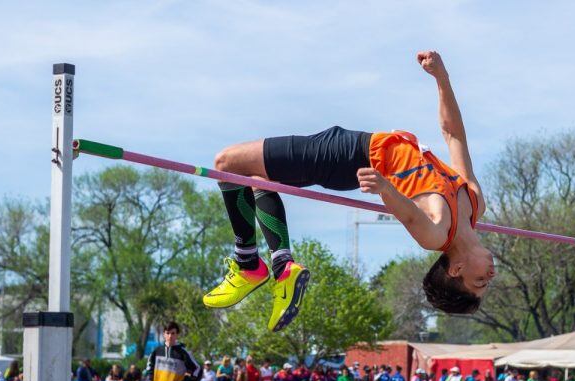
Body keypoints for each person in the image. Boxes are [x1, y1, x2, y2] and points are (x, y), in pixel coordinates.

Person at [203, 50, 495, 330]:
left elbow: (410, 216)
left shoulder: (437, 234)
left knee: (226, 163)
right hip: (352, 152)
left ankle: (248, 265)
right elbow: (453, 135)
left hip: (348, 156)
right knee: (255, 177)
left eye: (480, 282)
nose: (490, 276)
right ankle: (281, 266)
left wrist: (385, 189)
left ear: (456, 270)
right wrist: (441, 77)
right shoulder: (474, 203)